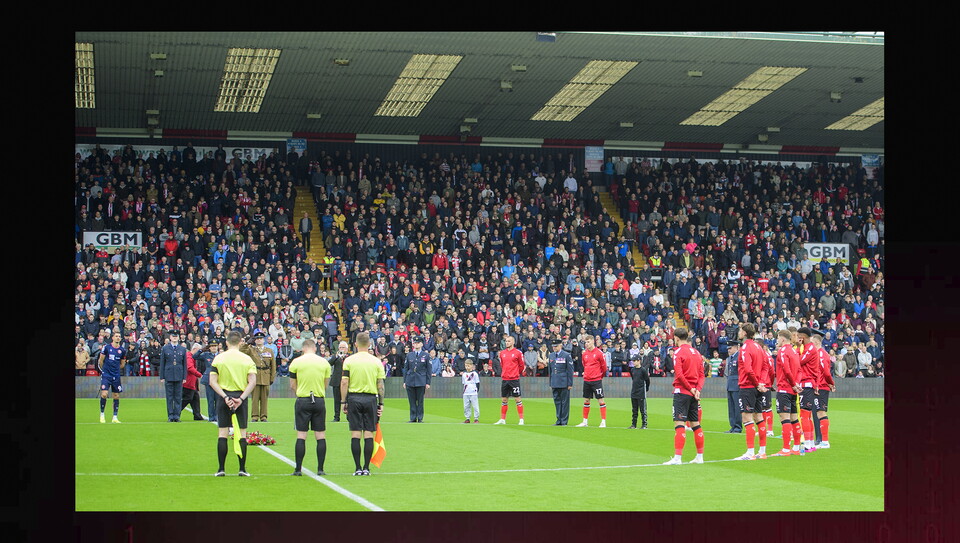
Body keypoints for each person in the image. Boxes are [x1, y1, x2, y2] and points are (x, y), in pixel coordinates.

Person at [208, 330, 258, 477]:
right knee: (241, 433)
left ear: (227, 342)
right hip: (240, 397)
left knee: (222, 433)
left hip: (225, 397)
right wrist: (241, 398)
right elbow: (252, 381)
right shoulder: (247, 359)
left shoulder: (219, 358)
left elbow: (212, 381)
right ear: (241, 342)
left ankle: (221, 469)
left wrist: (224, 397)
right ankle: (242, 469)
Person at [341, 332, 386, 476]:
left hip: (354, 398)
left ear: (355, 344)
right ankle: (366, 468)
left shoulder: (349, 360)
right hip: (370, 399)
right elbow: (380, 384)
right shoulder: (376, 361)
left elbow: (344, 382)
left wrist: (343, 401)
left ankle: (357, 467)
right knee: (368, 434)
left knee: (355, 434)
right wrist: (381, 403)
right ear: (369, 345)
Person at [288, 338, 332, 476]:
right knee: (320, 435)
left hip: (303, 399)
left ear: (303, 348)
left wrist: (299, 394)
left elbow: (292, 385)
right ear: (315, 348)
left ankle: (298, 469)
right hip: (319, 400)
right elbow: (326, 384)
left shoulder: (296, 362)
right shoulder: (324, 362)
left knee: (301, 435)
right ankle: (320, 469)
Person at [662, 328, 705, 464]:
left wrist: (691, 389)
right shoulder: (697, 353)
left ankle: (678, 458)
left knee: (679, 423)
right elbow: (702, 375)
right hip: (694, 393)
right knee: (695, 424)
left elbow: (679, 375)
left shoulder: (678, 352)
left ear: (676, 338)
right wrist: (697, 389)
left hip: (682, 392)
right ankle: (700, 457)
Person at [733, 323, 769, 460]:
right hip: (757, 387)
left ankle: (750, 452)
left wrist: (756, 383)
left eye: (741, 330)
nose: (739, 332)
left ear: (745, 332)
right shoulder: (759, 347)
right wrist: (761, 383)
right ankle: (762, 451)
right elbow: (766, 366)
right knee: (759, 418)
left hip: (747, 386)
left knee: (747, 418)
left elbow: (748, 369)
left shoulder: (745, 348)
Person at [770, 330, 802, 457]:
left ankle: (785, 449)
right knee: (794, 418)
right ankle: (796, 447)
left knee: (785, 418)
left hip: (784, 388)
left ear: (782, 339)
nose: (777, 341)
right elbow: (799, 370)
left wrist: (794, 384)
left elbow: (786, 370)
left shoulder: (783, 351)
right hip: (793, 390)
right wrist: (797, 384)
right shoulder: (794, 351)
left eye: (778, 338)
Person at [796, 327, 823, 453]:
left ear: (803, 337)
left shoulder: (810, 349)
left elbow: (798, 362)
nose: (797, 338)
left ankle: (807, 444)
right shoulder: (808, 348)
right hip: (808, 383)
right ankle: (810, 443)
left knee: (804, 415)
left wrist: (796, 348)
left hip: (806, 384)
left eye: (798, 336)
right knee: (807, 415)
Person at [243, 332, 276, 423]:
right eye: (257, 339)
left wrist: (272, 377)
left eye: (260, 338)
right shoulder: (251, 349)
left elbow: (273, 365)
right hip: (255, 376)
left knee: (264, 398)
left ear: (264, 339)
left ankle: (263, 416)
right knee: (255, 398)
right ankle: (254, 416)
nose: (259, 340)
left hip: (265, 376)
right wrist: (247, 343)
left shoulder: (269, 351)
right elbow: (241, 351)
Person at [576, 336, 608, 428]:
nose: (587, 344)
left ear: (593, 342)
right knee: (586, 400)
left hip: (596, 380)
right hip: (587, 380)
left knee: (600, 400)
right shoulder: (584, 354)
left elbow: (604, 367)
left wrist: (599, 376)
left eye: (588, 342)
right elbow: (584, 365)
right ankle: (585, 421)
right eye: (586, 342)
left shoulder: (599, 353)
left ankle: (603, 421)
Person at [812, 331, 836, 449]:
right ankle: (820, 438)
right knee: (817, 412)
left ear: (816, 342)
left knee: (820, 412)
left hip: (821, 387)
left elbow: (826, 372)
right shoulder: (817, 353)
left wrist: (831, 383)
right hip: (818, 386)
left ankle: (824, 441)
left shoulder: (821, 355)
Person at [494, 335, 525, 425]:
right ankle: (502, 419)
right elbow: (502, 365)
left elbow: (521, 365)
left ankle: (521, 419)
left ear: (513, 342)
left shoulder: (518, 353)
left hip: (514, 379)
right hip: (505, 379)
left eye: (508, 341)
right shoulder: (502, 353)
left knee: (517, 399)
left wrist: (515, 373)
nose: (507, 342)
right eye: (506, 341)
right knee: (504, 400)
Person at [97, 331, 127, 423]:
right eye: (116, 336)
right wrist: (104, 371)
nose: (118, 338)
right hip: (106, 375)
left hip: (116, 376)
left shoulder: (122, 350)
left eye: (119, 336)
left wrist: (115, 370)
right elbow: (101, 361)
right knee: (104, 394)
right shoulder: (107, 348)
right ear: (112, 338)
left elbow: (122, 364)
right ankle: (102, 414)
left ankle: (115, 417)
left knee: (116, 396)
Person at [159, 331, 188, 422]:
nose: (175, 338)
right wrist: (162, 376)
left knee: (178, 397)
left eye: (176, 336)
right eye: (173, 336)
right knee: (170, 397)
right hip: (169, 375)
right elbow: (162, 363)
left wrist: (184, 377)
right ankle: (170, 415)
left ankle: (177, 416)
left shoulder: (182, 349)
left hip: (179, 375)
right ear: (170, 337)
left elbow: (184, 364)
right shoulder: (165, 348)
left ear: (178, 337)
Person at [402, 336, 431, 423]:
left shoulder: (426, 355)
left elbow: (429, 370)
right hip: (410, 380)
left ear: (422, 344)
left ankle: (420, 417)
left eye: (418, 343)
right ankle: (413, 417)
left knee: (420, 400)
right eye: (415, 343)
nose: (416, 344)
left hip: (421, 380)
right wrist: (404, 381)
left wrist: (428, 382)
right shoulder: (409, 355)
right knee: (412, 400)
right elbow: (406, 369)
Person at [547, 338, 574, 426]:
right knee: (557, 402)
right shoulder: (551, 355)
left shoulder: (566, 355)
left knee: (564, 402)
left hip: (563, 382)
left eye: (556, 346)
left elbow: (570, 370)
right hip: (555, 382)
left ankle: (564, 421)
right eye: (553, 346)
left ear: (561, 346)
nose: (554, 348)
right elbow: (550, 370)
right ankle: (558, 420)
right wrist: (550, 382)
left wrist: (570, 383)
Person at [180, 343, 205, 421]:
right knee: (187, 398)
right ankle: (176, 411)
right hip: (188, 382)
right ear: (194, 349)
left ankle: (197, 415)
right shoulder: (189, 356)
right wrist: (199, 375)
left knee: (195, 398)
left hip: (192, 382)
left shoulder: (191, 357)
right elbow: (190, 368)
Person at [198, 342, 220, 422]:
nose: (214, 348)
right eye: (212, 346)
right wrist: (201, 350)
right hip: (209, 379)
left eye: (215, 346)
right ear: (209, 347)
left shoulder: (221, 355)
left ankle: (217, 416)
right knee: (210, 399)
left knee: (218, 399)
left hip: (219, 379)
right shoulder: (206, 355)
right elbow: (195, 356)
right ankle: (211, 417)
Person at [723, 341, 742, 433]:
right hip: (730, 384)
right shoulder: (730, 358)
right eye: (728, 349)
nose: (729, 350)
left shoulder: (739, 357)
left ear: (736, 347)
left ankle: (738, 426)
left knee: (737, 407)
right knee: (731, 407)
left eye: (730, 348)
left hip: (736, 385)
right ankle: (733, 425)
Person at [628, 352, 650, 429]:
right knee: (634, 410)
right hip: (634, 391)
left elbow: (647, 380)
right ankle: (634, 424)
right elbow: (633, 378)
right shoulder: (632, 370)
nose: (633, 362)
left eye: (634, 361)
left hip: (641, 392)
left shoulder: (643, 370)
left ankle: (644, 424)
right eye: (633, 361)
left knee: (642, 410)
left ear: (639, 361)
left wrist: (646, 389)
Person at [329, 341, 348, 422]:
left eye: (343, 347)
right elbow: (329, 363)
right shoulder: (335, 357)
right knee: (336, 400)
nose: (341, 349)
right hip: (337, 380)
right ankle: (336, 416)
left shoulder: (349, 357)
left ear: (347, 349)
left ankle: (349, 416)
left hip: (347, 381)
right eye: (340, 347)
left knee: (348, 399)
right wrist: (336, 356)